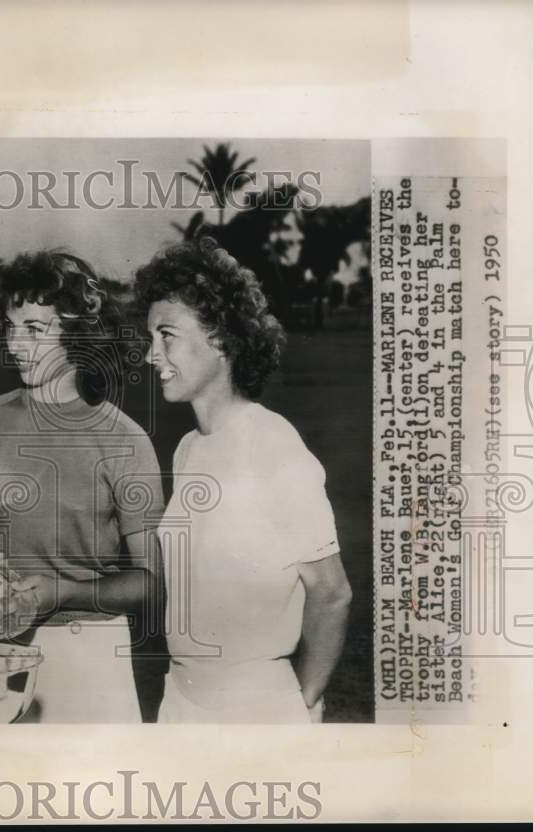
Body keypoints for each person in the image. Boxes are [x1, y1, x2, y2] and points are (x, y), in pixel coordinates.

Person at [0, 250, 164, 723]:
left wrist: (60, 590)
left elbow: (151, 582)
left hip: (90, 653)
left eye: (36, 330)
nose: (15, 345)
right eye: (11, 327)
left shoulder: (124, 440)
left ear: (78, 336)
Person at [133, 236, 352, 723]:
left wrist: (303, 704)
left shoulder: (273, 444)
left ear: (219, 338)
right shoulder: (189, 448)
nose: (152, 355)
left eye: (166, 335)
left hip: (256, 710)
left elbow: (332, 592)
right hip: (181, 701)